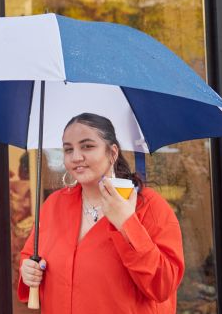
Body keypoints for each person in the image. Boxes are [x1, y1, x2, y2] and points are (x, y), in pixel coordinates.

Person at [17, 113, 185, 313]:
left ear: (112, 152)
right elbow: (30, 256)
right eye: (68, 149)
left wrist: (127, 223)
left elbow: (163, 285)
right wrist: (28, 271)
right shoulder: (54, 205)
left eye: (87, 146)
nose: (76, 157)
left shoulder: (149, 207)